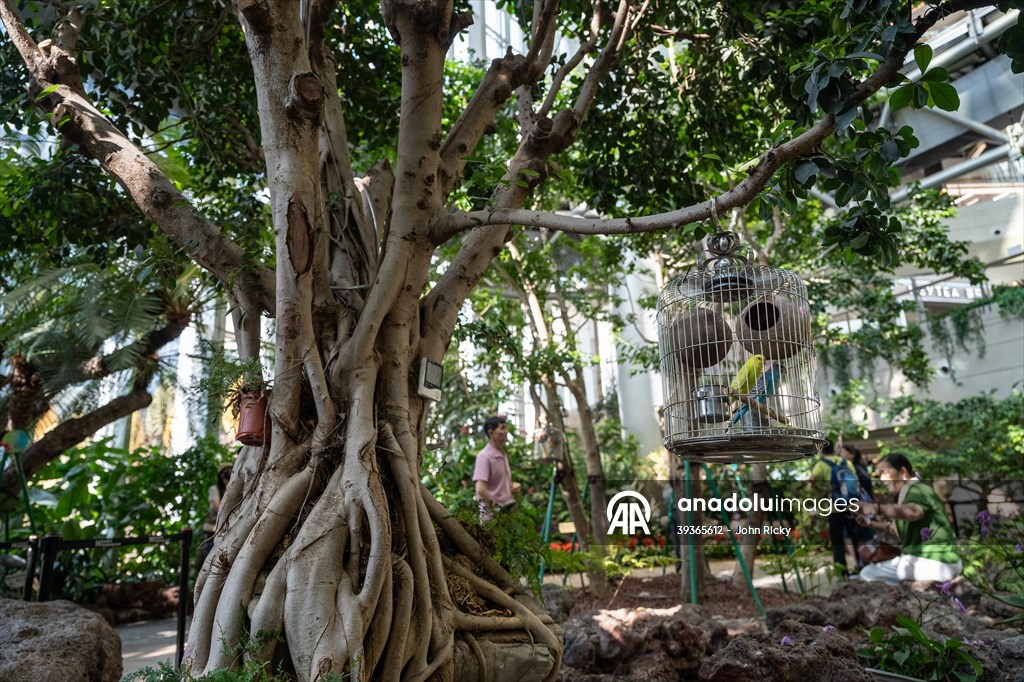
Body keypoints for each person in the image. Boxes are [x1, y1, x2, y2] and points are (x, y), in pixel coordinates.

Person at [855, 453, 962, 584]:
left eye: (885, 472)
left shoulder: (918, 490)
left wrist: (876, 508)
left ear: (903, 472)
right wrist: (869, 523)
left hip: (935, 564)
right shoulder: (909, 494)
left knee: (868, 574)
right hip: (934, 563)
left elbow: (914, 512)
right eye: (879, 475)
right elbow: (895, 529)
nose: (882, 479)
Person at [810, 439, 864, 578]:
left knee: (837, 541)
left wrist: (820, 491)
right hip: (851, 506)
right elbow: (855, 481)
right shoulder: (846, 462)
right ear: (834, 448)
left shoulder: (821, 464)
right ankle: (861, 567)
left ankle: (842, 573)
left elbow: (811, 479)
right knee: (855, 537)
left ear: (820, 449)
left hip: (834, 507)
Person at [472, 416, 519, 523]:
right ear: (491, 433)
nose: (506, 431)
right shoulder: (484, 456)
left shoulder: (503, 454)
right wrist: (496, 509)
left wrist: (511, 488)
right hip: (492, 520)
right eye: (502, 428)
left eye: (506, 428)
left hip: (506, 516)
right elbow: (480, 489)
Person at [202, 462, 232, 556]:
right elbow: (216, 506)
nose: (229, 473)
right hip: (214, 529)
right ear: (221, 475)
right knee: (210, 555)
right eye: (226, 472)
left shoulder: (233, 488)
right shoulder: (215, 489)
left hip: (229, 527)